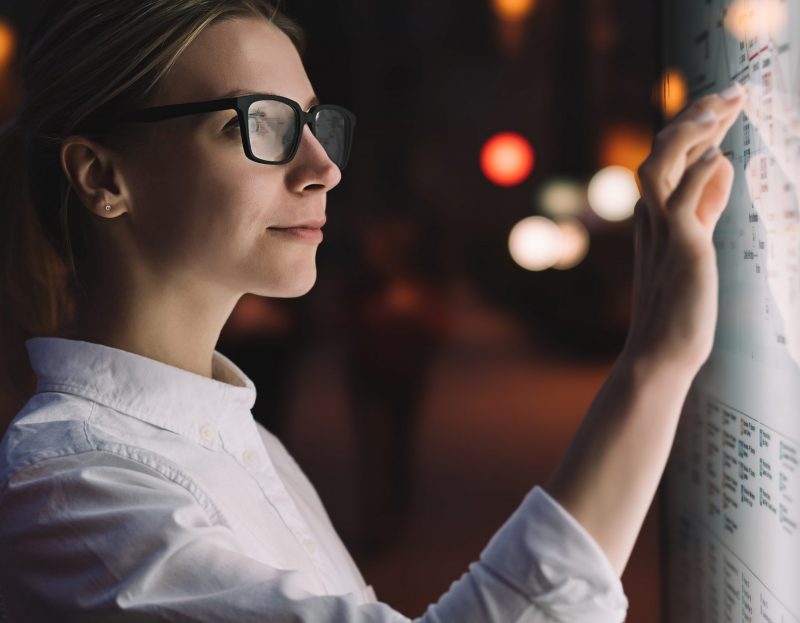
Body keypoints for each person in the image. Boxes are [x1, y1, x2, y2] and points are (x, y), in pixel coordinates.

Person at [0, 0, 746, 620]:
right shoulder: (74, 496)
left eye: (315, 121)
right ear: (101, 175)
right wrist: (656, 359)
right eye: (261, 123)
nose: (323, 168)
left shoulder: (226, 434)